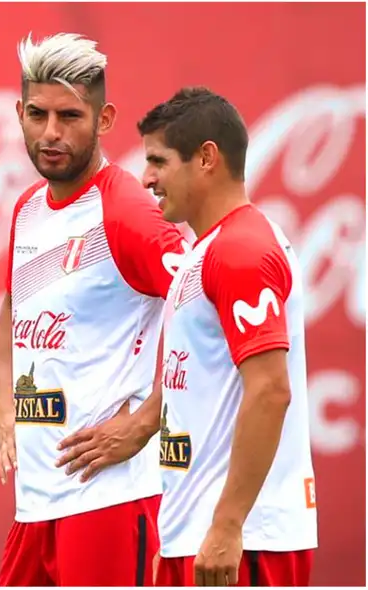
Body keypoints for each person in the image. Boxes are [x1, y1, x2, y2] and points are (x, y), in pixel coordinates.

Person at [59, 87, 318, 586]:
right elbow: (197, 378)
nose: (147, 177)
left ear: (206, 159)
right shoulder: (205, 252)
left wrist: (226, 525)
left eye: (158, 161)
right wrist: (176, 529)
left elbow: (269, 391)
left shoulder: (242, 250)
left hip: (245, 542)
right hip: (197, 537)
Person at [0, 32, 188, 586]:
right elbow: (13, 307)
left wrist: (147, 421)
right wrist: (4, 401)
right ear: (20, 113)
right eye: (37, 114)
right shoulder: (27, 208)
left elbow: (207, 313)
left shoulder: (126, 210)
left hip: (110, 498)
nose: (51, 133)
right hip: (35, 503)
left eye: (70, 116)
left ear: (104, 121)